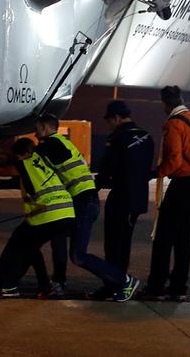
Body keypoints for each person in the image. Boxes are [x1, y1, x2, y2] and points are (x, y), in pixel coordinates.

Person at [35, 114, 139, 301]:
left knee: (78, 255)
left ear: (44, 127)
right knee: (57, 236)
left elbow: (26, 159)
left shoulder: (51, 144)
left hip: (84, 202)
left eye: (36, 128)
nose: (35, 133)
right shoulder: (60, 142)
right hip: (82, 200)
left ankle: (124, 280)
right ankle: (58, 281)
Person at [0, 138, 78, 299]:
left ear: (21, 155)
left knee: (26, 246)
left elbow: (0, 172)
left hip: (47, 215)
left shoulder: (24, 164)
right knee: (27, 244)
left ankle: (11, 285)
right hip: (66, 211)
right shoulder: (42, 159)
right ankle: (2, 283)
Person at [141, 86, 190, 302]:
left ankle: (156, 286)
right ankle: (179, 286)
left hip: (184, 184)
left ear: (165, 102)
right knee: (183, 237)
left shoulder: (174, 124)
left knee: (163, 237)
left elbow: (174, 161)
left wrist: (156, 173)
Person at [95, 100, 154, 287]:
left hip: (121, 196)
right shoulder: (146, 136)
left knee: (113, 244)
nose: (109, 125)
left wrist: (94, 186)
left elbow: (106, 169)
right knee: (124, 241)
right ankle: (118, 282)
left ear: (117, 118)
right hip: (137, 197)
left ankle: (116, 284)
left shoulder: (118, 137)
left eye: (109, 121)